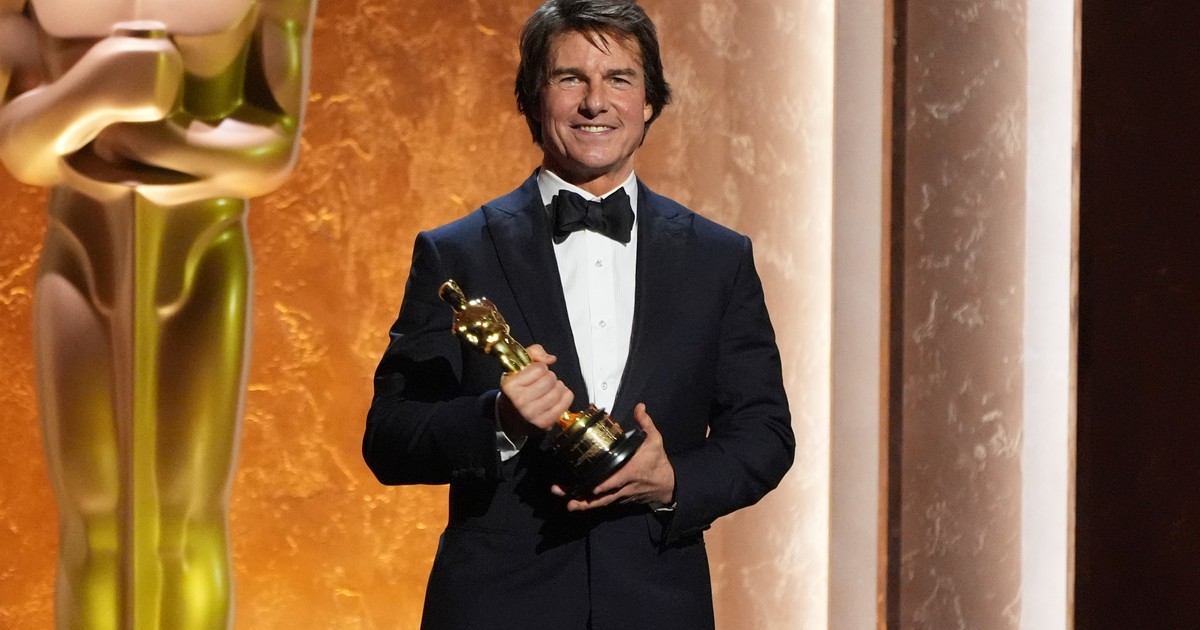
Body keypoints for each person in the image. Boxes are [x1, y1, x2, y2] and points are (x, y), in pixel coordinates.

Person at [362, 1, 794, 628]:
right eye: (570, 79)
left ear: (649, 101)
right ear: (533, 99)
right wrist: (499, 418)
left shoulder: (718, 258)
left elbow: (764, 433)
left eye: (619, 79)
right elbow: (391, 438)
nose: (596, 102)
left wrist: (674, 481)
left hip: (658, 607)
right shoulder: (456, 252)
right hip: (497, 608)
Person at [0, 2, 313, 628]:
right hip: (81, 248)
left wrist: (155, 139)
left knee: (185, 514)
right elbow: (21, 150)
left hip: (201, 249)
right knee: (92, 516)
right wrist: (91, 93)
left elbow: (273, 148)